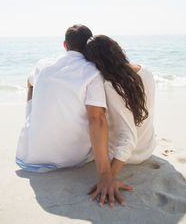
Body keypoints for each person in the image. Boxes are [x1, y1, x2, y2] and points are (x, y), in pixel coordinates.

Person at [16, 24, 132, 208]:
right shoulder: (92, 72)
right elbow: (97, 120)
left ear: (64, 45)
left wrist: (30, 113)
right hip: (73, 159)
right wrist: (104, 175)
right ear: (89, 46)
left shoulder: (42, 66)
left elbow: (29, 84)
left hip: (32, 156)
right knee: (101, 112)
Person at [83, 35, 156, 183]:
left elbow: (128, 138)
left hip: (127, 155)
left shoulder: (111, 85)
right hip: (148, 147)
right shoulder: (146, 71)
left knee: (93, 118)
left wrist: (108, 177)